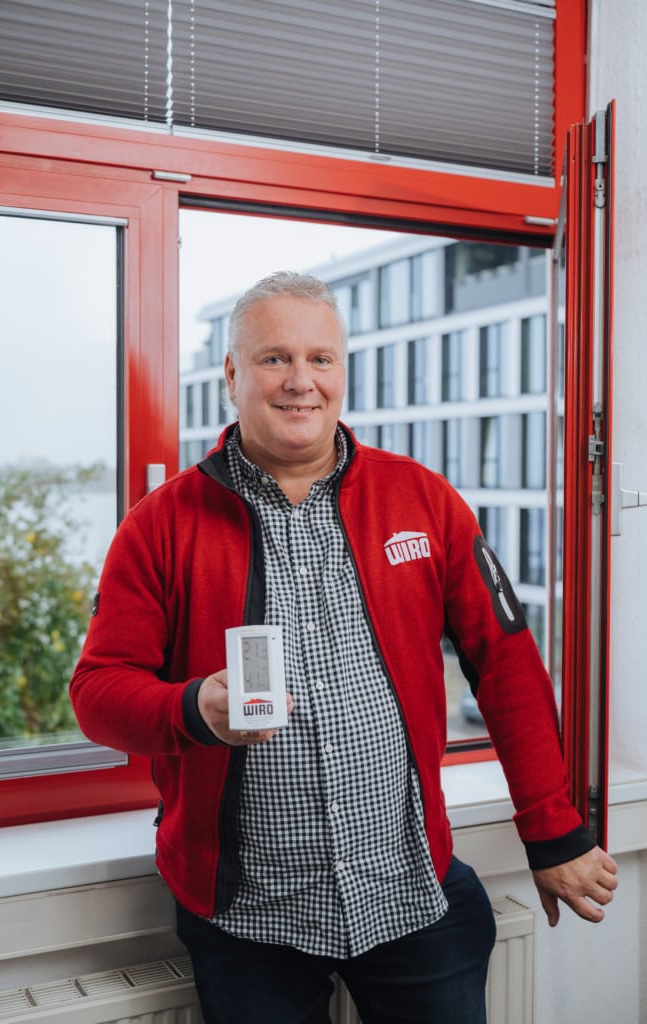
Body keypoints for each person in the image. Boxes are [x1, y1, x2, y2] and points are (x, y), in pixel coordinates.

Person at [70, 271, 618, 1024]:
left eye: (321, 360)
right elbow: (97, 691)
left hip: (414, 900)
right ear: (232, 375)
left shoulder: (423, 500)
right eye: (274, 359)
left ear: (343, 373)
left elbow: (506, 664)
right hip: (247, 918)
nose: (301, 382)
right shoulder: (158, 525)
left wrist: (551, 829)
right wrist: (193, 707)